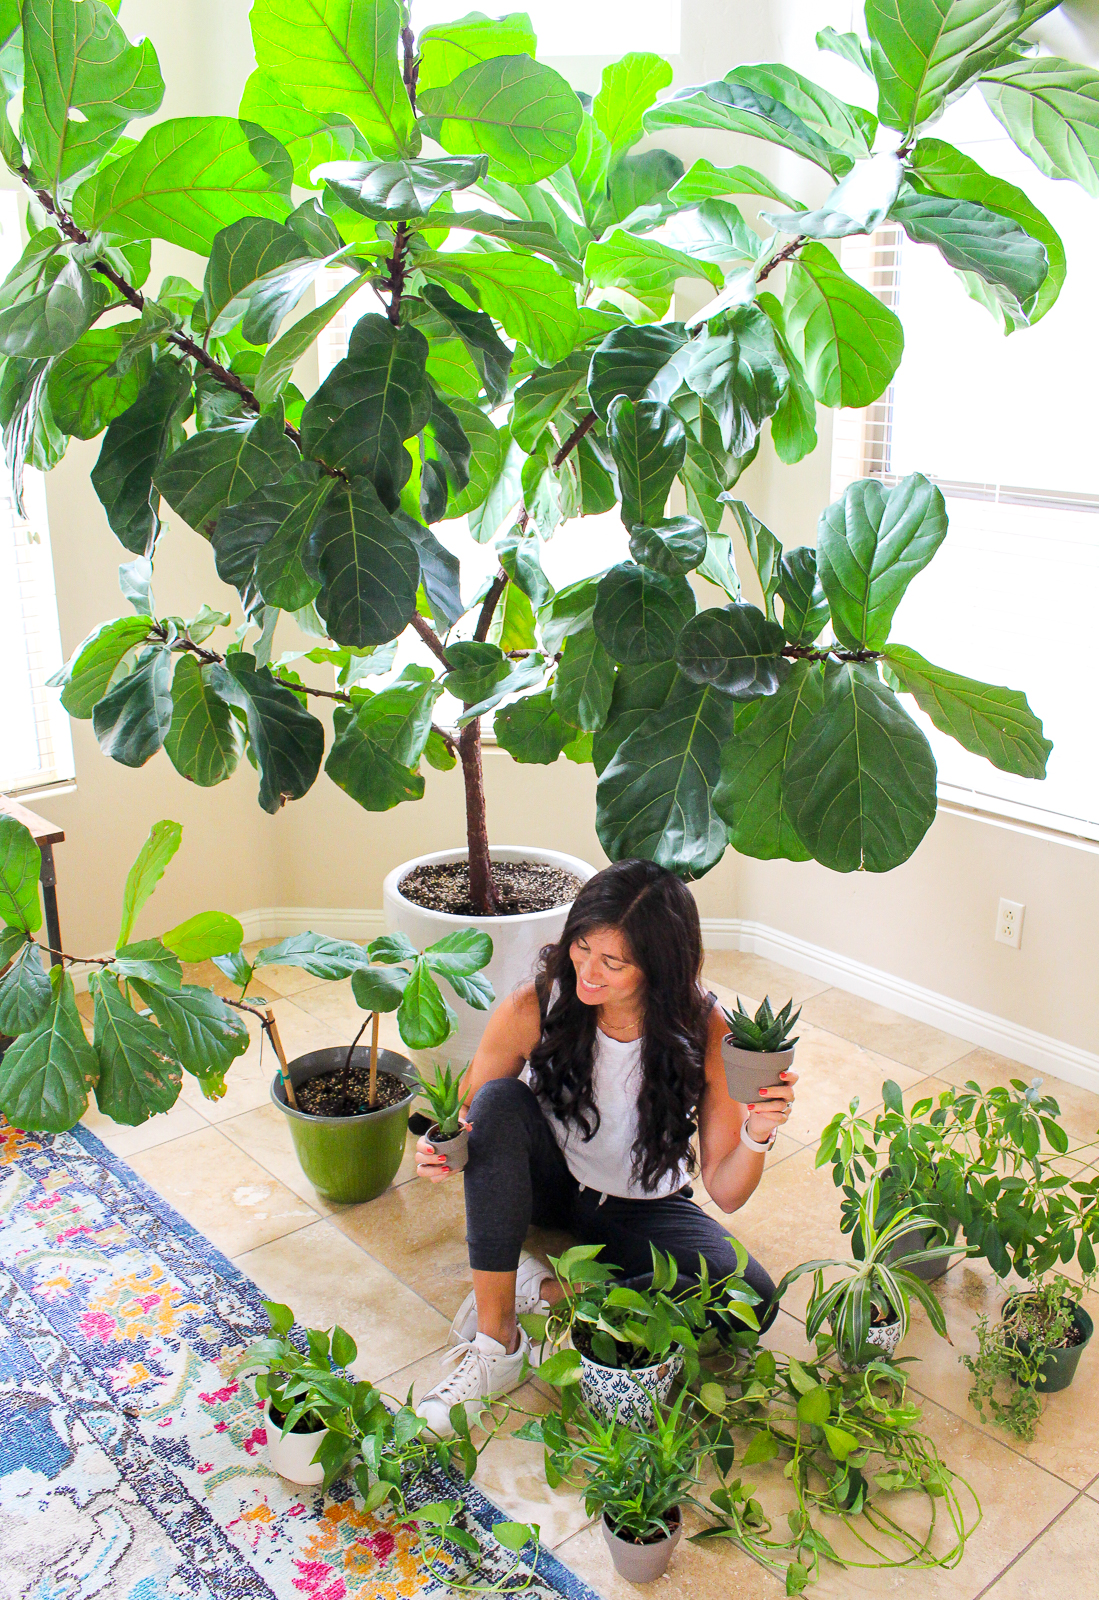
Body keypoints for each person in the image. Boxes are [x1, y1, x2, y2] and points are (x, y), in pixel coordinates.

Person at [413, 859, 796, 1435]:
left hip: (640, 1207)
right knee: (497, 1102)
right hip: (550, 1182)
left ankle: (544, 1289)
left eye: (612, 962)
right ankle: (498, 1342)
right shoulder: (535, 1005)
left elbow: (727, 1191)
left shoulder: (707, 1030)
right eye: (582, 947)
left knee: (751, 1299)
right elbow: (467, 1115)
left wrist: (759, 1131)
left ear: (659, 968)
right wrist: (441, 1150)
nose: (588, 971)